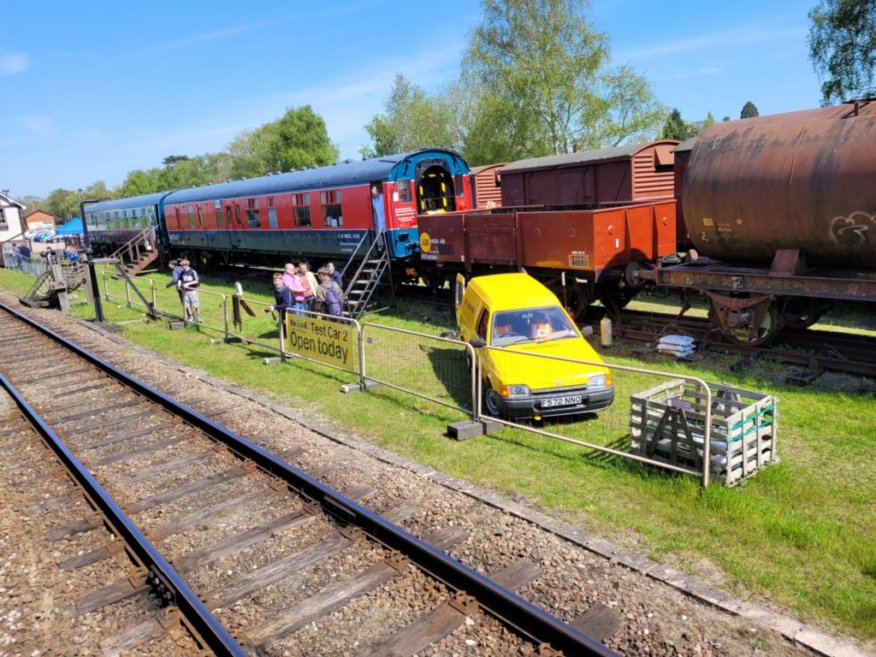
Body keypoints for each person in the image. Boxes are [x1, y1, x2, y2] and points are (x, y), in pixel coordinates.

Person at [371, 184, 386, 252]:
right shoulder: (374, 200)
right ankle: (384, 247)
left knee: (386, 234)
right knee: (382, 234)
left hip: (385, 220)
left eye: (374, 192)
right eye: (372, 193)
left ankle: (386, 247)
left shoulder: (382, 197)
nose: (373, 194)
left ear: (377, 191)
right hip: (380, 220)